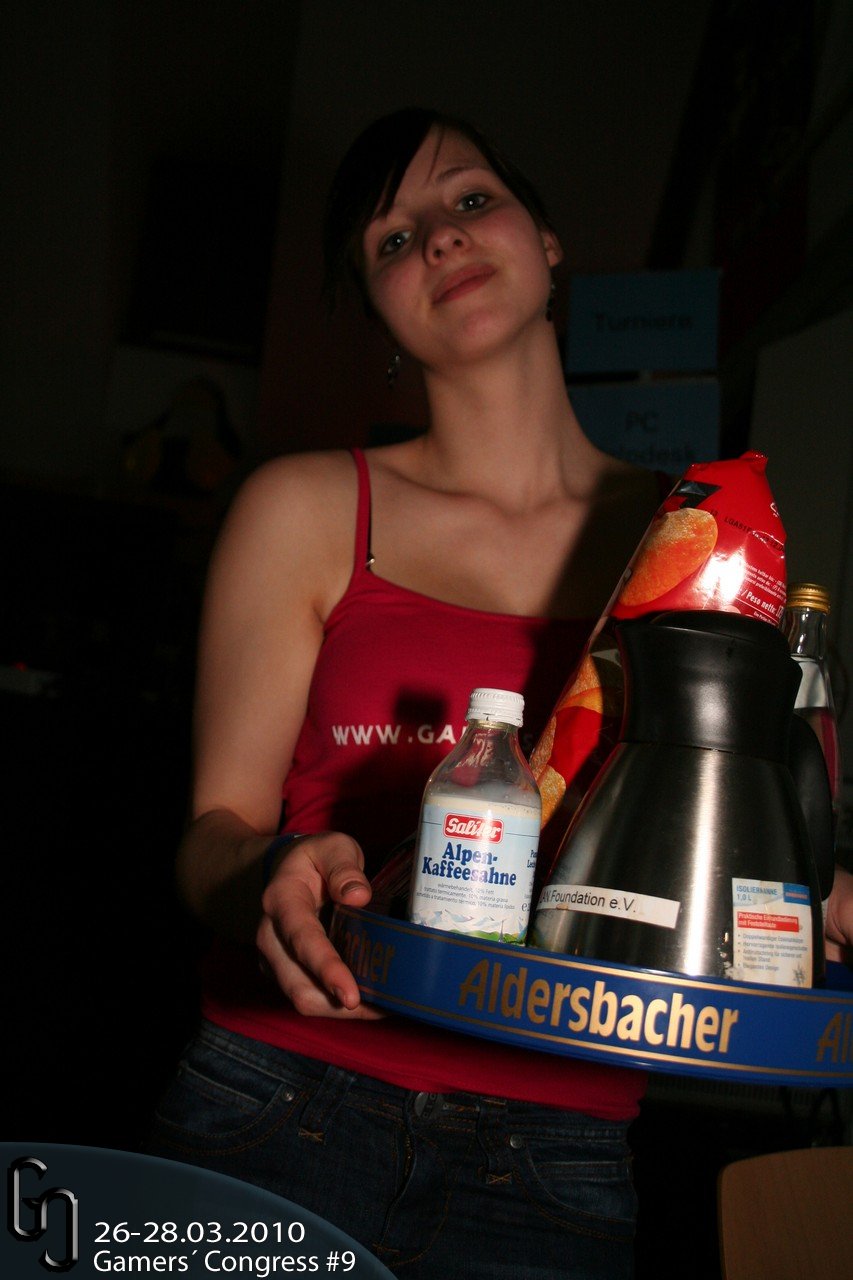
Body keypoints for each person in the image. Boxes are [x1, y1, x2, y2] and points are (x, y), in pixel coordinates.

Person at [145, 107, 853, 1279]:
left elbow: (710, 833)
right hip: (280, 1103)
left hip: (554, 1157)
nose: (437, 236)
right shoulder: (303, 508)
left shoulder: (699, 540)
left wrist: (808, 886)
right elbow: (210, 835)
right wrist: (270, 869)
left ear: (548, 240)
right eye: (391, 238)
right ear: (375, 310)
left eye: (470, 199)